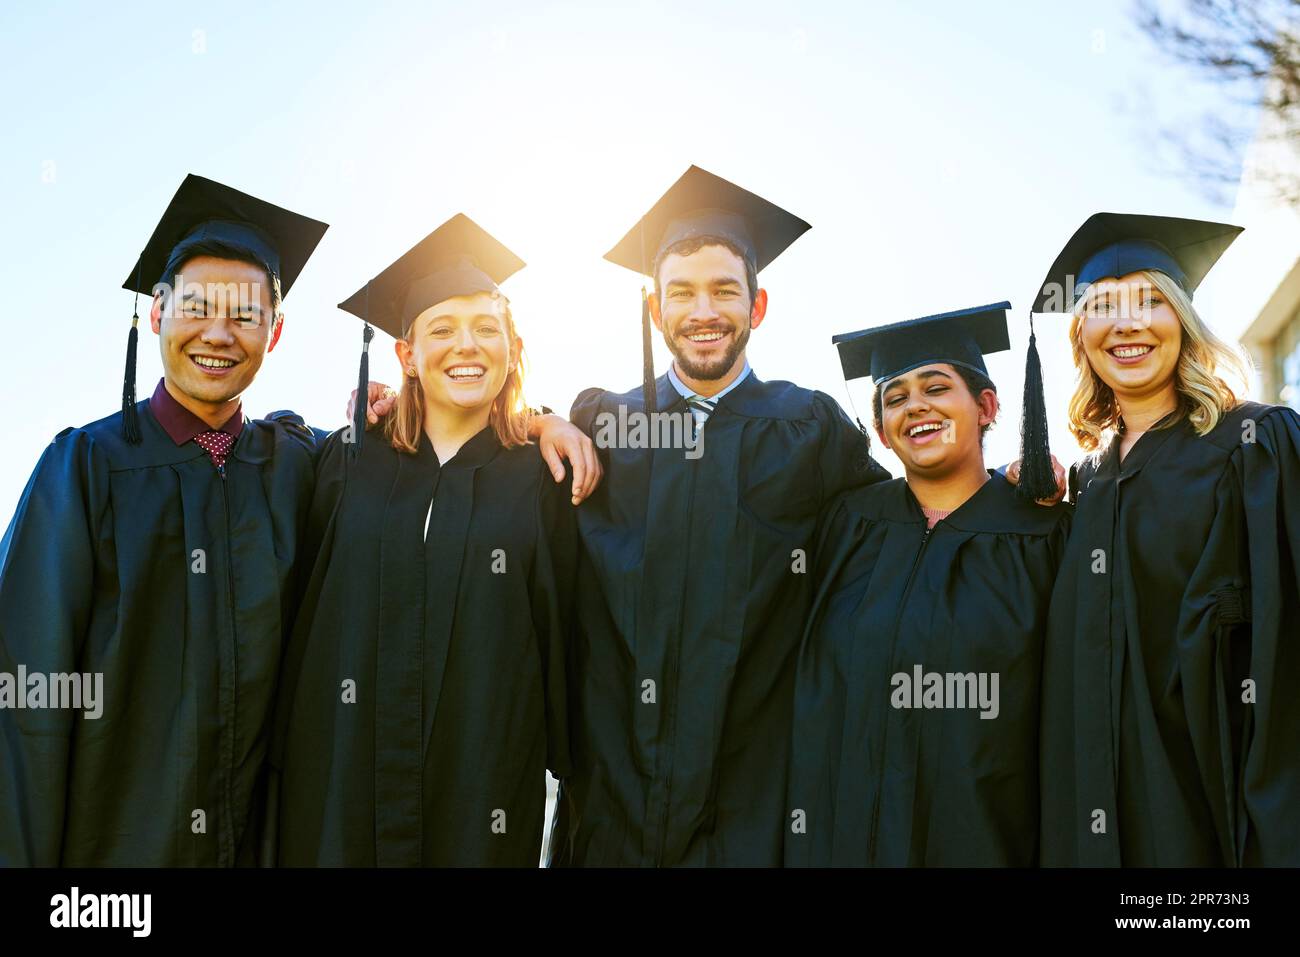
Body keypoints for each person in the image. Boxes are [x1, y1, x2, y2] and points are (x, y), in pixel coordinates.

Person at [550, 166, 890, 867]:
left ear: (758, 305)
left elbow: (905, 527)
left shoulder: (811, 429)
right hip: (612, 797)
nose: (703, 310)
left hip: (753, 806)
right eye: (682, 291)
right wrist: (530, 421)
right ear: (655, 308)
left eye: (724, 290)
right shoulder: (602, 423)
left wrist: (1002, 484)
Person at [0, 175, 329, 865]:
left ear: (276, 330)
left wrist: (534, 423)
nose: (218, 333)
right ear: (155, 313)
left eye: (244, 314)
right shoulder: (85, 468)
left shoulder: (299, 468)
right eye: (198, 306)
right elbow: (22, 703)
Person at [270, 214, 576, 866]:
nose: (467, 345)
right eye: (441, 329)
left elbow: (572, 646)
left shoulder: (541, 478)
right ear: (405, 353)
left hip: (481, 806)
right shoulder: (343, 461)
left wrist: (544, 419)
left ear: (511, 347)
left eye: (486, 328)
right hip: (337, 803)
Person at [1029, 212, 1300, 866]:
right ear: (1081, 336)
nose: (1128, 323)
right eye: (1103, 307)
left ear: (1184, 321)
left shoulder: (1256, 444)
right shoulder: (1081, 488)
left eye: (1151, 300)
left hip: (1217, 817)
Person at [786, 302, 1071, 866]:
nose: (915, 405)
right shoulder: (845, 528)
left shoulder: (1045, 538)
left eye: (936, 388)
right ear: (882, 434)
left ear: (987, 407)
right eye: (895, 398)